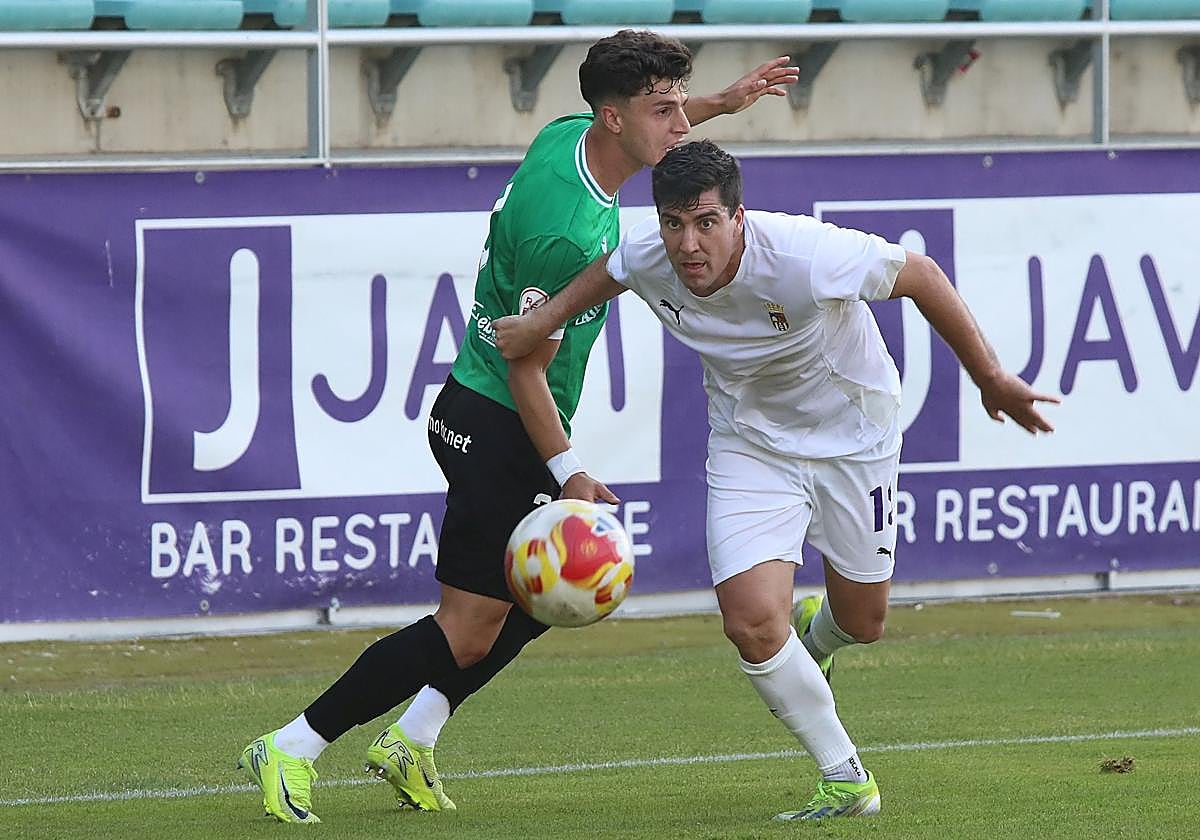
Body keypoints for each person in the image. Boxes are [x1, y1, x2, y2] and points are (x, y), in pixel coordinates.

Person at [237, 34, 799, 824]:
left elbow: (646, 133)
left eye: (681, 105)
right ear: (614, 116)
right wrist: (568, 466)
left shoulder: (568, 137)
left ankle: (414, 735)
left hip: (485, 411)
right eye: (664, 109)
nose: (680, 122)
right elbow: (525, 363)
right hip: (500, 419)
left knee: (543, 599)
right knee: (467, 631)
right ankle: (294, 744)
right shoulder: (567, 235)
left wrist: (721, 103)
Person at [493, 139, 1058, 821]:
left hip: (856, 440)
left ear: (739, 218)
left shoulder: (805, 254)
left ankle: (817, 640)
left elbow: (923, 274)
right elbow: (609, 271)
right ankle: (846, 778)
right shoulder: (652, 253)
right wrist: (540, 322)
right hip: (750, 447)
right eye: (674, 223)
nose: (688, 244)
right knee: (752, 624)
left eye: (706, 222)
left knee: (865, 621)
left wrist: (990, 377)